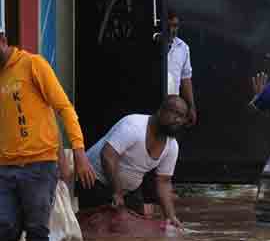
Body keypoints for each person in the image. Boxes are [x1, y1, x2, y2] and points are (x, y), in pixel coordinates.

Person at [0, 27, 97, 241]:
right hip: (4, 168)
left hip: (39, 166)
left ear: (3, 40)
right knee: (3, 232)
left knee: (37, 237)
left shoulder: (33, 65)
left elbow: (63, 108)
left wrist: (78, 153)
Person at [78, 95, 188, 230]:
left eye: (182, 116)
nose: (178, 120)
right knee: (94, 230)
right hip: (95, 180)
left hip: (129, 191)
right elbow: (108, 156)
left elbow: (163, 182)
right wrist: (117, 193)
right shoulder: (134, 125)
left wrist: (170, 216)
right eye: (174, 113)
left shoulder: (172, 146)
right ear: (161, 111)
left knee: (136, 236)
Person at [167, 11, 197, 126]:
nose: (171, 30)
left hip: (173, 109)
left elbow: (185, 79)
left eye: (174, 26)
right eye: (168, 26)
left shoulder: (183, 48)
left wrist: (191, 106)